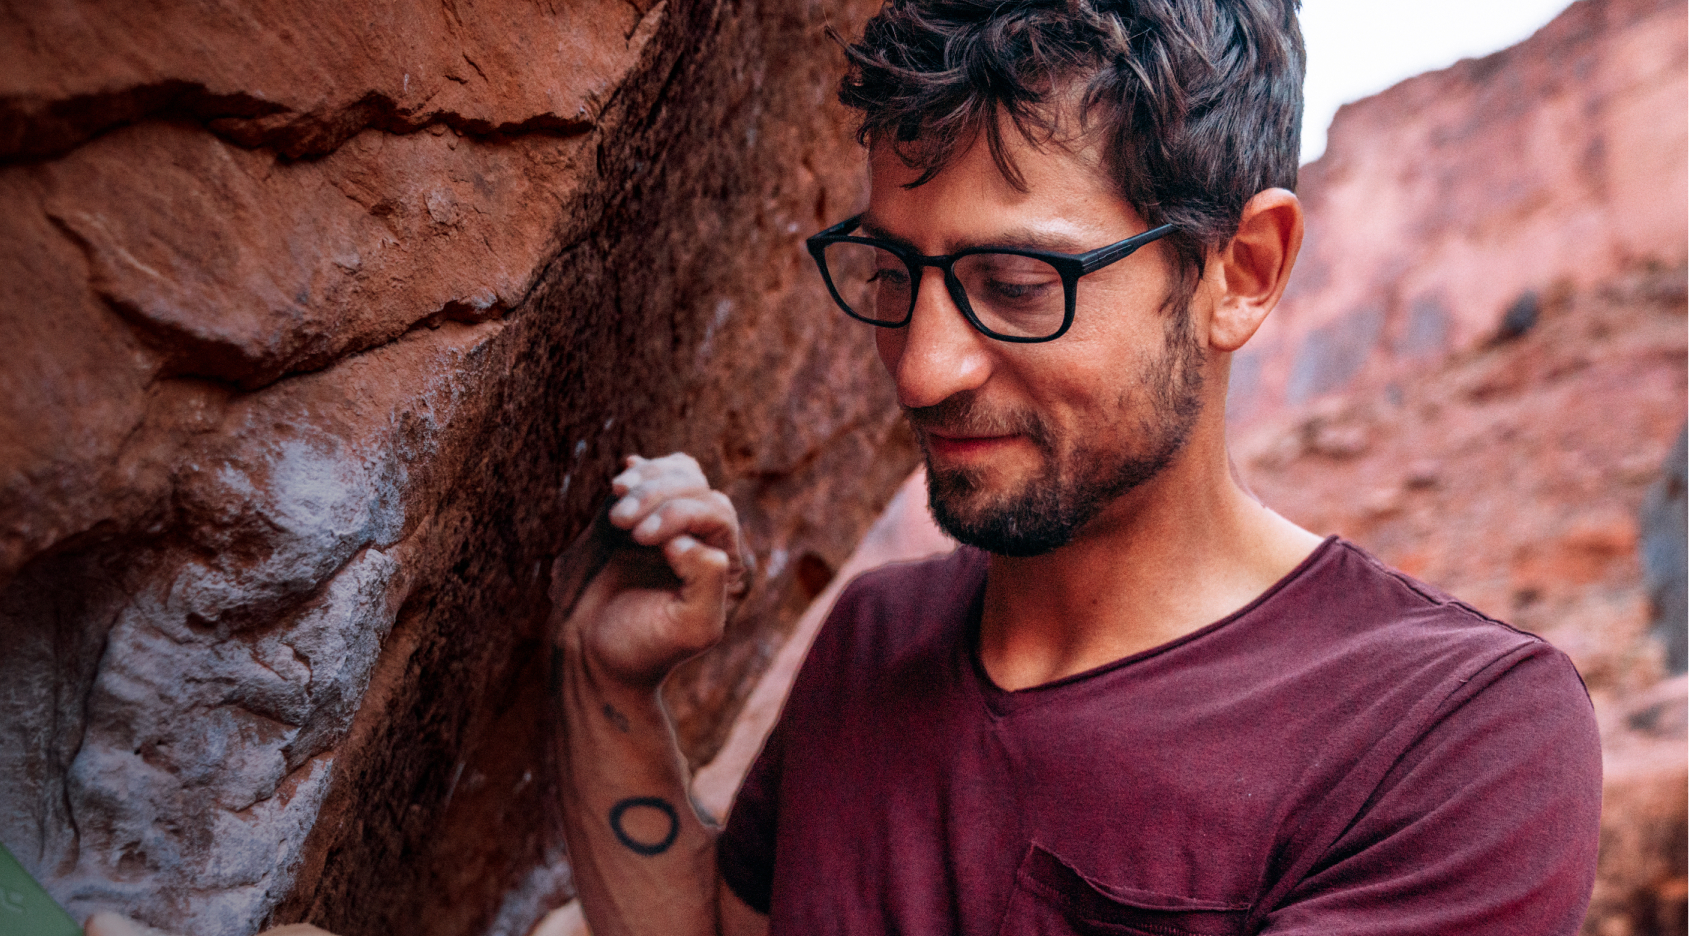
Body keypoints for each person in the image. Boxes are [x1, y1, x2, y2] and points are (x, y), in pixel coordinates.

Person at [552, 0, 1603, 933]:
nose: (921, 371)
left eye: (1014, 283)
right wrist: (609, 680)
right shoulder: (873, 641)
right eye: (890, 272)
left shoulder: (1455, 736)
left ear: (1241, 272)